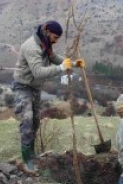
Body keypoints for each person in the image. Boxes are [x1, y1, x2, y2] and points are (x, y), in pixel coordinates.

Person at [12, 20, 86, 173]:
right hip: (23, 87)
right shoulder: (32, 47)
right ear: (46, 32)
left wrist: (73, 64)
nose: (56, 40)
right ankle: (26, 161)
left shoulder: (45, 44)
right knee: (27, 122)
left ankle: (31, 154)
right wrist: (60, 68)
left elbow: (54, 58)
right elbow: (38, 72)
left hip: (35, 88)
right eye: (55, 37)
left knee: (35, 122)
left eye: (58, 38)